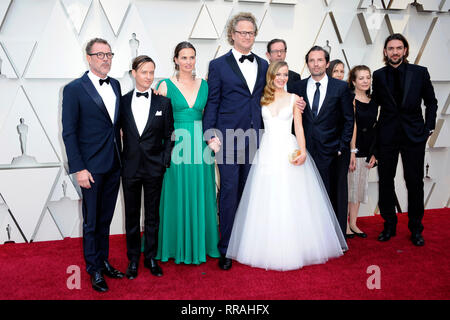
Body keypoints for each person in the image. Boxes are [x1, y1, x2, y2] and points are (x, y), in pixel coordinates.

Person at [226, 61, 347, 271]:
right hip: (266, 150)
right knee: (266, 197)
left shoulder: (294, 99)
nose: (281, 78)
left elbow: (299, 127)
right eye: (277, 74)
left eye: (284, 75)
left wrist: (302, 151)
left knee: (291, 198)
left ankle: (296, 246)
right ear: (270, 76)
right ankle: (266, 245)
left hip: (287, 150)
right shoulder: (261, 99)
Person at [202, 12, 269, 271]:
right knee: (229, 193)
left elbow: (268, 97)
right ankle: (227, 248)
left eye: (251, 32)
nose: (247, 37)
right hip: (228, 139)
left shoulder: (263, 64)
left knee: (250, 193)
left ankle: (247, 243)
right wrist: (210, 134)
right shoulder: (218, 65)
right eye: (242, 32)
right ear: (232, 34)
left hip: (256, 139)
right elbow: (213, 102)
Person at [62, 38, 124, 292]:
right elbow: (69, 132)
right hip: (90, 167)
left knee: (105, 219)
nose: (105, 59)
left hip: (114, 163)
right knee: (91, 221)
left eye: (108, 54)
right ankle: (94, 269)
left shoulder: (117, 85)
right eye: (100, 55)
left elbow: (117, 125)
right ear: (88, 58)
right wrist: (79, 169)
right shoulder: (74, 89)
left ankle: (104, 261)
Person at [154, 41, 220, 265]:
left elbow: (213, 113)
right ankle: (174, 245)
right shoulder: (164, 85)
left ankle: (203, 244)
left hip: (202, 145)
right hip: (175, 145)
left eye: (192, 57)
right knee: (175, 192)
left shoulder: (206, 85)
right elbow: (157, 120)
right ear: (175, 59)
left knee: (202, 191)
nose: (188, 62)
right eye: (183, 57)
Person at [372, 33, 438, 246]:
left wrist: (428, 128)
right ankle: (389, 225)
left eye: (399, 48)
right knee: (386, 183)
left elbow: (431, 102)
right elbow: (375, 105)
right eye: (391, 48)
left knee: (414, 183)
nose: (395, 52)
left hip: (413, 136)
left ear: (405, 50)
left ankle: (416, 229)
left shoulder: (420, 72)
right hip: (387, 136)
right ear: (385, 52)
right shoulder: (378, 75)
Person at [120, 55, 174, 279]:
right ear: (134, 73)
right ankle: (133, 259)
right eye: (144, 72)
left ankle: (151, 257)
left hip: (154, 168)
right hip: (130, 167)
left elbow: (170, 135)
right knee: (132, 216)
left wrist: (164, 160)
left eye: (152, 72)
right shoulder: (121, 102)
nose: (149, 77)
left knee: (152, 216)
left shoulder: (163, 102)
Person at [291, 46, 354, 236]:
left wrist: (343, 147)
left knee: (336, 194)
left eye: (320, 60)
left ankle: (337, 236)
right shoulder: (297, 87)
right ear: (307, 63)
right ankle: (312, 235)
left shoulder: (341, 87)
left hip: (335, 151)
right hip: (307, 150)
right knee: (309, 194)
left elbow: (349, 119)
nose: (315, 64)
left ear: (327, 63)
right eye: (311, 60)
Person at [346, 65, 378, 239]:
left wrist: (375, 153)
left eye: (368, 77)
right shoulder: (350, 99)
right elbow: (351, 127)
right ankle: (344, 224)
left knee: (359, 189)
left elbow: (375, 127)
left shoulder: (373, 101)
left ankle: (354, 223)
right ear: (353, 81)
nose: (365, 81)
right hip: (353, 149)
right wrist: (352, 151)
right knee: (349, 188)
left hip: (367, 149)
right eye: (361, 78)